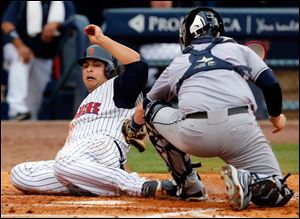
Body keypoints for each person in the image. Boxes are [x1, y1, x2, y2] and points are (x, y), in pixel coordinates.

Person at [122, 7, 294, 210]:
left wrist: (132, 127)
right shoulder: (238, 49)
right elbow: (271, 85)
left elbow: (146, 106)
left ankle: (189, 187)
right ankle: (251, 180)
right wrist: (275, 116)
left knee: (153, 109)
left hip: (196, 134)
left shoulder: (178, 63)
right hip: (241, 130)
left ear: (186, 34)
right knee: (278, 189)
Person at [10, 24, 172, 198]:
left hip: (103, 148)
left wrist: (101, 40)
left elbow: (138, 66)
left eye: (96, 65)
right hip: (78, 161)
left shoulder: (118, 87)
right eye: (86, 65)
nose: (89, 68)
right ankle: (95, 185)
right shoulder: (85, 102)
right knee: (20, 172)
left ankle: (139, 185)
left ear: (110, 70)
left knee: (64, 161)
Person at [1, 1, 76, 120]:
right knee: (21, 59)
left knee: (35, 96)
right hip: (17, 47)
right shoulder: (21, 3)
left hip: (44, 54)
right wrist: (20, 46)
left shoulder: (65, 3)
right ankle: (16, 109)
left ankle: (26, 120)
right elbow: (6, 24)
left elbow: (73, 22)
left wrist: (55, 24)